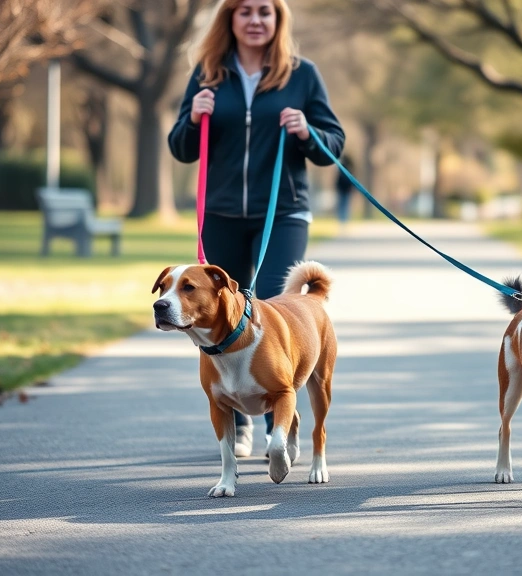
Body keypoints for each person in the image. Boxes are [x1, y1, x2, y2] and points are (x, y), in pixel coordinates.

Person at [167, 0, 345, 458]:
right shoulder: (208, 73)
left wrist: (308, 130)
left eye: (264, 11)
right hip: (221, 211)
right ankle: (233, 414)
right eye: (244, 11)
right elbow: (181, 148)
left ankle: (277, 425)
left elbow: (333, 146)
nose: (255, 20)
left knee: (269, 309)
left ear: (278, 20)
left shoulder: (301, 74)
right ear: (230, 18)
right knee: (218, 314)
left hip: (282, 210)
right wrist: (192, 117)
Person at [335, 154, 354, 226]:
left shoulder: (345, 168)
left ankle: (343, 220)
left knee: (344, 205)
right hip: (343, 189)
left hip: (345, 189)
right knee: (343, 205)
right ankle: (342, 220)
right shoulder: (342, 168)